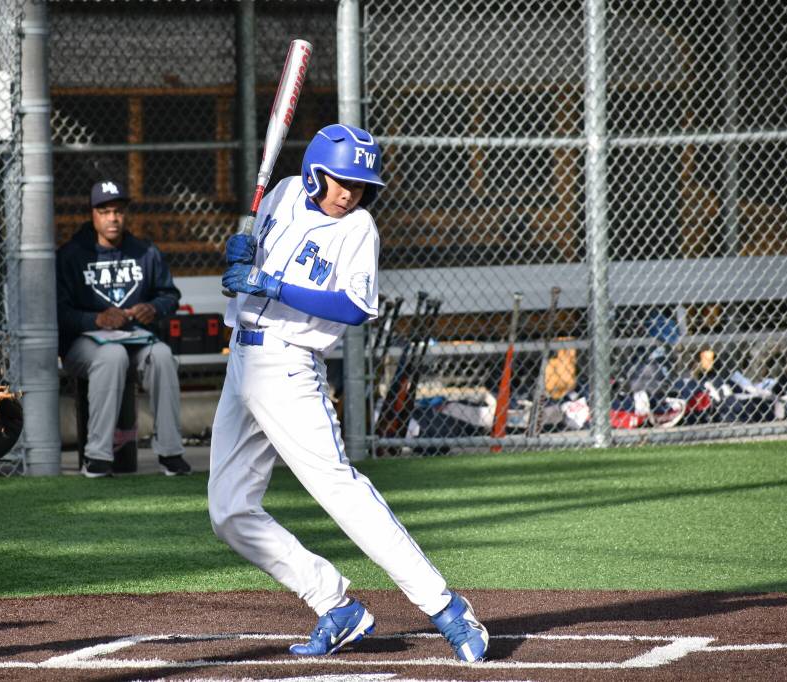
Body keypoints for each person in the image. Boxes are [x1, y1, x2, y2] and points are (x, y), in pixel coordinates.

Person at [209, 124, 489, 662]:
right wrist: (242, 254)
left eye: (360, 186)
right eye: (341, 181)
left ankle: (447, 608)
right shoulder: (283, 193)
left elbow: (356, 307)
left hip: (290, 367)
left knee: (341, 491)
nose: (350, 193)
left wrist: (270, 285)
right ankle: (334, 605)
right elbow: (249, 268)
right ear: (315, 173)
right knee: (228, 511)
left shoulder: (359, 228)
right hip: (241, 359)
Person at [57, 180, 192, 478]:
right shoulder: (72, 254)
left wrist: (153, 308)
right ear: (93, 214)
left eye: (118, 211)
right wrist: (95, 320)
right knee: (112, 355)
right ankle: (97, 457)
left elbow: (170, 295)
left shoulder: (144, 251)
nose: (113, 218)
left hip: (135, 338)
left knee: (162, 355)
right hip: (85, 344)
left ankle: (171, 453)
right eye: (104, 212)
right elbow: (58, 312)